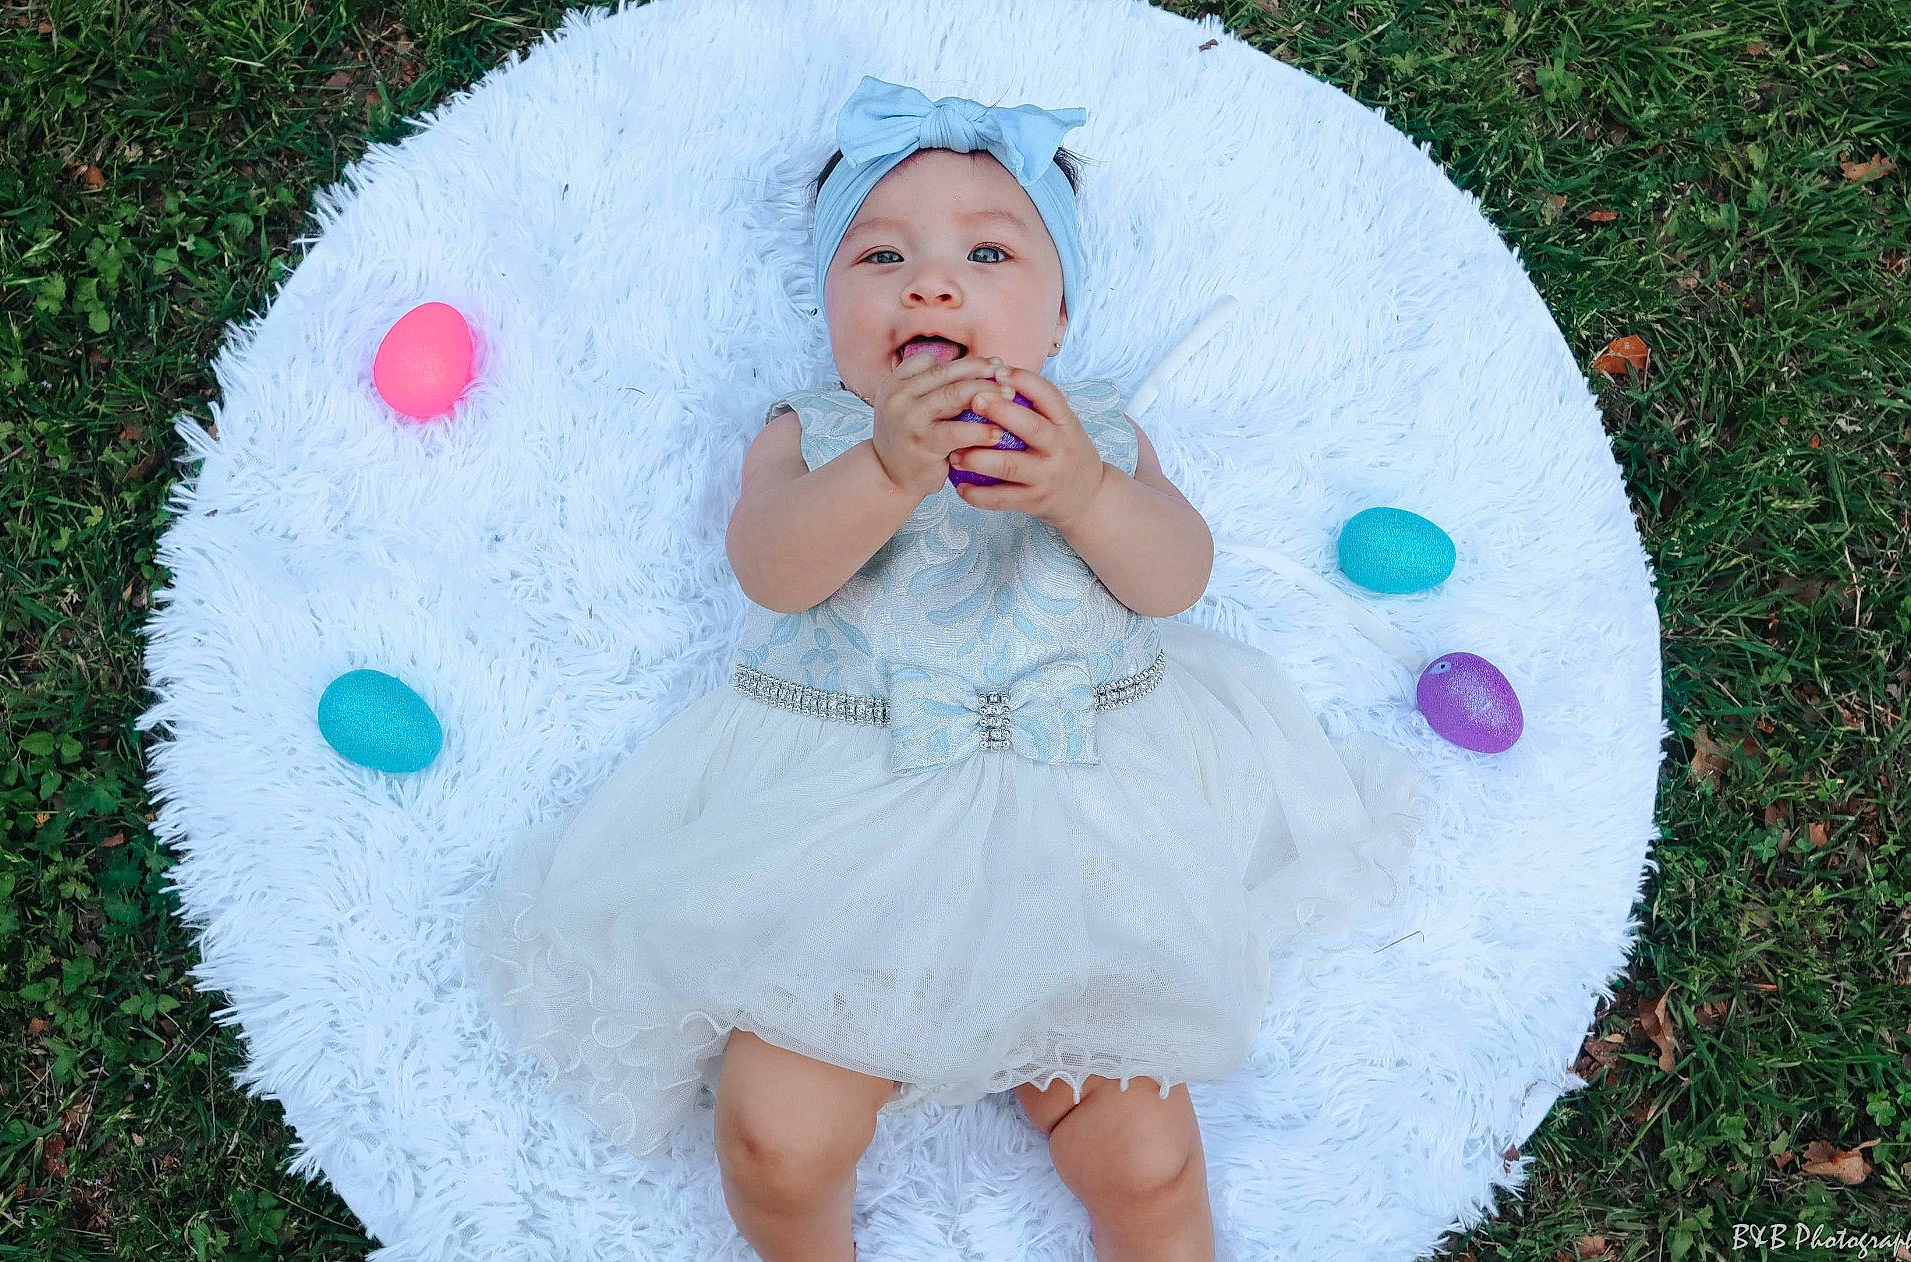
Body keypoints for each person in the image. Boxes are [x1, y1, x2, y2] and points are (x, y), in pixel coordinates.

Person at [461, 74, 1436, 1262]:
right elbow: (769, 568)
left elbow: (1173, 578)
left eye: (987, 251)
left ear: (1059, 317)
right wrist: (880, 471)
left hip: (1085, 828)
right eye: (877, 258)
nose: (930, 283)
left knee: (1146, 1153)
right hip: (846, 829)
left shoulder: (1101, 431)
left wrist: (1083, 491)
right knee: (774, 1133)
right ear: (826, 309)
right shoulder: (812, 431)